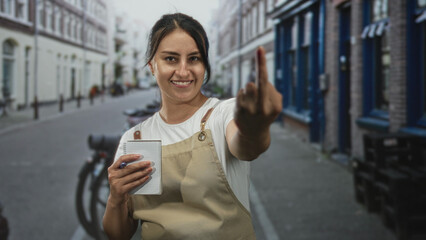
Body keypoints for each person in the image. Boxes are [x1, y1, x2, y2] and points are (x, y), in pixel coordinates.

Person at [103, 13, 282, 240]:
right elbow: (118, 234)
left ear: (204, 65)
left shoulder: (223, 113)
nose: (184, 71)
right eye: (171, 59)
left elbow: (246, 145)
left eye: (194, 59)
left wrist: (254, 127)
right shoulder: (136, 138)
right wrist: (116, 199)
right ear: (152, 65)